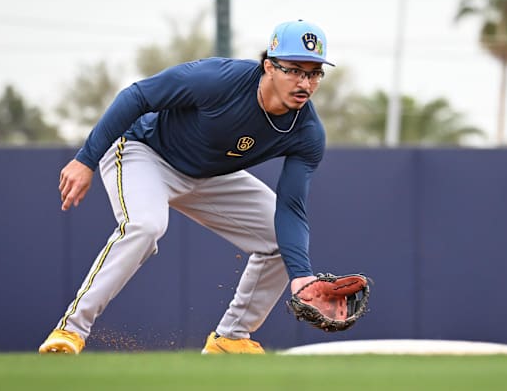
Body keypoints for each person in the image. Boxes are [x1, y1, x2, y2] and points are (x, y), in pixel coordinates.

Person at [38, 19, 334, 354]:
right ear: (269, 66)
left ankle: (230, 339)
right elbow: (137, 96)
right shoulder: (219, 80)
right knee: (145, 226)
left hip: (209, 175)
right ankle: (70, 330)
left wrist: (301, 275)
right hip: (144, 152)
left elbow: (291, 207)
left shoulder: (307, 132)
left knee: (279, 239)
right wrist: (85, 159)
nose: (305, 82)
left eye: (314, 73)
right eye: (294, 70)